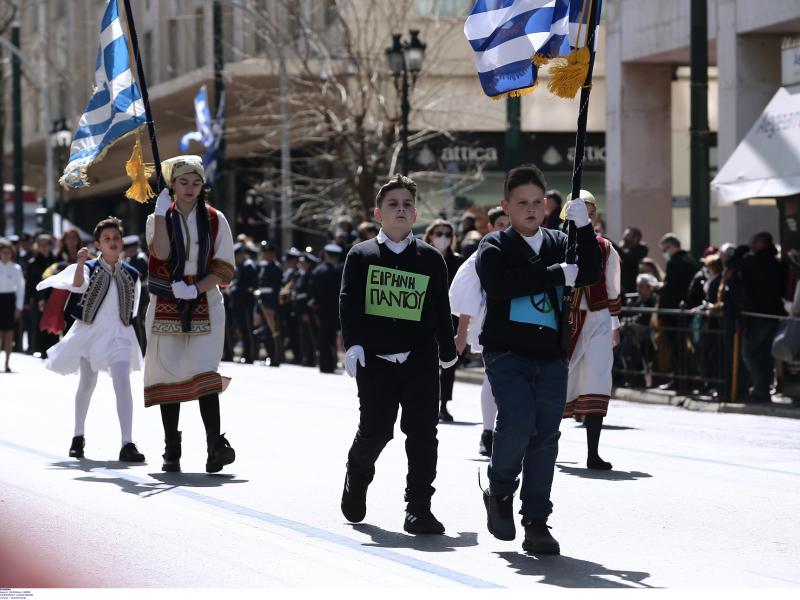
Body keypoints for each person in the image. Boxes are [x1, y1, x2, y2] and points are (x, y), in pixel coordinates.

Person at [476, 165, 601, 555]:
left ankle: (536, 519)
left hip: (550, 354)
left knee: (546, 436)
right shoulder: (494, 246)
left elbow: (590, 272)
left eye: (537, 202)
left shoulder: (559, 240)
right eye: (521, 203)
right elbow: (500, 286)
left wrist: (582, 229)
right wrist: (553, 274)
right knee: (516, 424)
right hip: (506, 352)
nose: (531, 209)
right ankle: (499, 490)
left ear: (548, 205)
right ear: (506, 207)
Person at [339, 174, 458, 534]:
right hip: (375, 361)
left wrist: (448, 349)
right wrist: (354, 343)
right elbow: (349, 301)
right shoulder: (360, 256)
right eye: (393, 204)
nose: (401, 209)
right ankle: (356, 478)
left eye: (407, 204)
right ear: (378, 213)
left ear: (416, 212)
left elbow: (440, 306)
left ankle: (418, 506)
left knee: (423, 433)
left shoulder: (431, 258)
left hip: (419, 360)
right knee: (376, 432)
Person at [145, 155, 237, 474]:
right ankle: (172, 446)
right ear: (172, 184)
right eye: (183, 181)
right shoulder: (158, 217)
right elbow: (162, 253)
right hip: (166, 301)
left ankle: (215, 444)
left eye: (196, 182)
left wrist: (197, 288)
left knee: (205, 371)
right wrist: (160, 215)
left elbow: (224, 266)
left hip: (206, 300)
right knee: (168, 371)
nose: (189, 188)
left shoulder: (215, 219)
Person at [36, 217, 145, 462]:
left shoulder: (133, 273)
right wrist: (80, 262)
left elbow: (134, 309)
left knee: (122, 382)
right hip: (90, 332)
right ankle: (78, 435)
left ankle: (127, 442)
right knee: (87, 384)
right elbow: (77, 285)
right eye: (107, 239)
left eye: (116, 238)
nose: (113, 242)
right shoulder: (89, 267)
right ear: (98, 244)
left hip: (119, 333)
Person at [560, 191, 621, 470]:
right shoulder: (556, 243)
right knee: (557, 382)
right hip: (564, 319)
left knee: (597, 379)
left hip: (597, 318)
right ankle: (544, 445)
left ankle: (592, 452)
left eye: (588, 210)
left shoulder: (605, 247)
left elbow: (612, 285)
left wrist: (614, 323)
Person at [448, 206, 509, 457]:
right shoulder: (483, 254)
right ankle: (488, 432)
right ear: (491, 227)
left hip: (524, 324)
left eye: (509, 223)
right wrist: (461, 334)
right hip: (491, 322)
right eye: (500, 224)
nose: (505, 228)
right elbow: (467, 295)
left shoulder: (528, 249)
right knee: (493, 378)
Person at [423, 218, 464, 422]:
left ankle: (443, 404)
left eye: (448, 234)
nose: (443, 238)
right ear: (430, 235)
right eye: (439, 233)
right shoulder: (421, 257)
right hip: (425, 317)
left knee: (449, 363)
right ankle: (425, 401)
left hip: (450, 318)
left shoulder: (457, 260)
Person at [739, 232, 787, 403]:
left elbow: (739, 271)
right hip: (773, 314)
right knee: (765, 355)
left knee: (749, 353)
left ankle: (761, 388)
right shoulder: (777, 264)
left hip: (757, 314)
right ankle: (764, 388)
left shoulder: (751, 262)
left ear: (760, 243)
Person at [657, 233, 699, 390]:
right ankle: (681, 379)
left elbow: (672, 287)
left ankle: (681, 380)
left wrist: (659, 289)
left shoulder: (676, 261)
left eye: (664, 249)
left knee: (676, 348)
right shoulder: (689, 260)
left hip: (673, 313)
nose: (664, 253)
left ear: (671, 246)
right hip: (681, 311)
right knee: (680, 348)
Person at [310, 243, 344, 374]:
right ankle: (331, 363)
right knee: (331, 338)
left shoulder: (318, 270)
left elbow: (314, 291)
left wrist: (316, 302)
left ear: (325, 255)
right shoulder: (339, 271)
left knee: (323, 337)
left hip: (321, 309)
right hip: (335, 309)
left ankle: (324, 364)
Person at [256, 240, 283, 366]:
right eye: (264, 253)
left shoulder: (276, 268)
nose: (265, 255)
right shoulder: (263, 267)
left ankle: (275, 357)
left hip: (270, 304)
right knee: (266, 332)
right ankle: (269, 355)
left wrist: (272, 307)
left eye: (267, 253)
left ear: (272, 254)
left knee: (273, 331)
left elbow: (275, 289)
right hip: (263, 302)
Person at [0, 239, 25, 373]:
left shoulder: (16, 268)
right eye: (3, 252)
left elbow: (21, 288)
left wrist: (18, 307)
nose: (6, 255)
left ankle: (7, 363)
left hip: (10, 301)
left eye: (8, 253)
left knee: (9, 335)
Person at [232, 242, 259, 364]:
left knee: (248, 329)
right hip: (240, 303)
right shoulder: (241, 265)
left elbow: (247, 286)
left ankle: (250, 355)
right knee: (243, 329)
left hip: (246, 303)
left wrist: (233, 289)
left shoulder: (248, 266)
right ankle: (246, 353)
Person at [123, 234, 149, 354]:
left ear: (132, 248)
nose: (125, 251)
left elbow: (137, 277)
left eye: (126, 248)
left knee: (140, 325)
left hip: (141, 296)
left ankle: (142, 352)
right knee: (136, 325)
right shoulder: (133, 259)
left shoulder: (139, 258)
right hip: (135, 295)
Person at [618, 226, 648, 295]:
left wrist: (610, 242)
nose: (624, 237)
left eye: (628, 235)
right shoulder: (623, 249)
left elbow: (627, 258)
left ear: (636, 238)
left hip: (633, 288)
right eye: (625, 235)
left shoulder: (642, 249)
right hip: (621, 287)